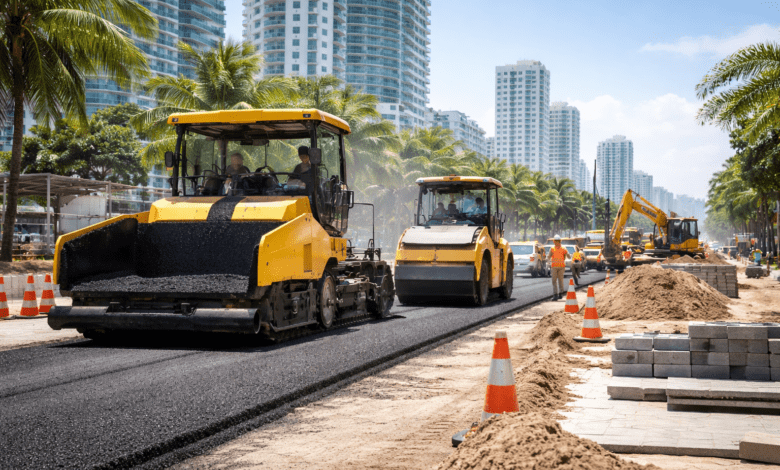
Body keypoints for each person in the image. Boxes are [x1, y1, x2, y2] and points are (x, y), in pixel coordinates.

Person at [547, 235, 570, 301]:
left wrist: (568, 254)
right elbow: (548, 256)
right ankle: (555, 295)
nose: (556, 242)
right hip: (554, 266)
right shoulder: (552, 249)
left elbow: (568, 256)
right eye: (555, 241)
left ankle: (560, 293)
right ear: (554, 241)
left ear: (560, 241)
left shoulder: (563, 248)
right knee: (554, 281)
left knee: (560, 280)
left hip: (561, 267)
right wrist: (547, 261)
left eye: (558, 241)